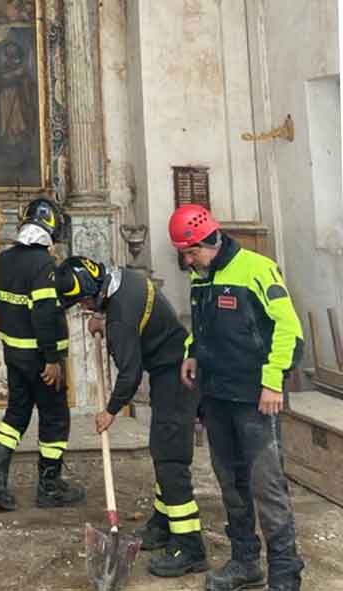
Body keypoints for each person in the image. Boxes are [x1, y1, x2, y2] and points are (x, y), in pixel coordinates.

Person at [169, 204, 305, 591]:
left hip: (255, 399)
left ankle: (284, 573)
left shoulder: (257, 269)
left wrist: (273, 380)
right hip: (216, 397)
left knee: (267, 486)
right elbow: (205, 327)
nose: (188, 261)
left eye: (191, 252)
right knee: (231, 484)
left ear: (207, 240)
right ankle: (246, 562)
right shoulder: (202, 276)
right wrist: (192, 352)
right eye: (185, 255)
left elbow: (288, 328)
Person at [55, 256, 208, 578]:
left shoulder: (120, 318)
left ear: (94, 290)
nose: (81, 306)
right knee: (162, 451)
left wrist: (110, 411)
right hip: (174, 369)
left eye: (82, 301)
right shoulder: (124, 279)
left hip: (177, 378)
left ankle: (189, 545)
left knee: (170, 459)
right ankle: (162, 525)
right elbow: (121, 310)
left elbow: (130, 373)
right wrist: (100, 314)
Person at [0, 198, 85, 511]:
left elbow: (0, 302)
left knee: (15, 415)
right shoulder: (43, 264)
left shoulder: (5, 259)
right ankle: (49, 487)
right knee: (54, 418)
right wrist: (52, 359)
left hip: (14, 354)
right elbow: (43, 314)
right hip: (42, 360)